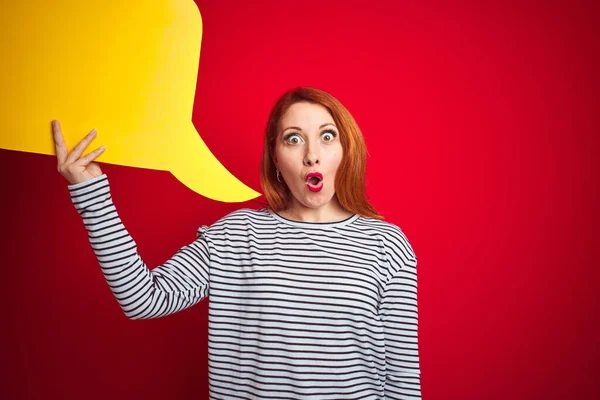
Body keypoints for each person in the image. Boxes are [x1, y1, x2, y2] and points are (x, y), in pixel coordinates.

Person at [52, 87, 421, 399]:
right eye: (294, 138)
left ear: (345, 149)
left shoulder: (386, 244)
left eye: (327, 136)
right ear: (276, 159)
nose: (312, 153)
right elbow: (143, 299)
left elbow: (403, 380)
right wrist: (90, 192)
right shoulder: (235, 236)